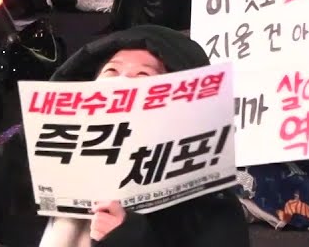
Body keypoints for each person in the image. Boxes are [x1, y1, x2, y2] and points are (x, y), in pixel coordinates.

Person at [32, 26, 249, 247]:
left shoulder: (208, 204)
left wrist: (129, 237)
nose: (121, 82)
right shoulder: (40, 168)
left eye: (143, 74)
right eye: (111, 71)